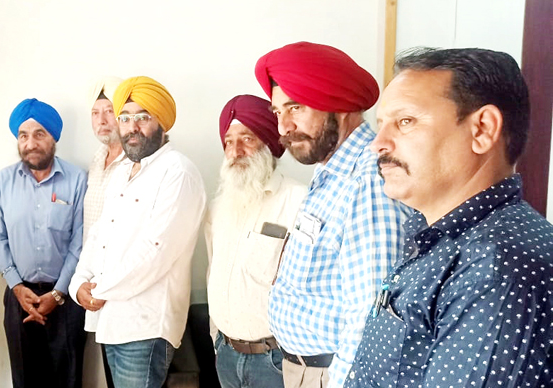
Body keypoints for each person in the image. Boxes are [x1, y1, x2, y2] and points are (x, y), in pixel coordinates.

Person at [344, 47, 553, 388]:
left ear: (482, 130)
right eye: (381, 125)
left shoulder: (497, 269)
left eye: (405, 122)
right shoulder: (440, 236)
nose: (378, 144)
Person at [255, 42, 411, 387]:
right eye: (278, 112)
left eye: (295, 107)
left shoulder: (369, 180)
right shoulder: (333, 170)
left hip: (332, 374)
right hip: (306, 369)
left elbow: (370, 313)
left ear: (339, 106)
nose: (284, 127)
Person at [69, 76, 206, 388]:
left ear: (162, 122)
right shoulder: (121, 173)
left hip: (145, 326)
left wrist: (98, 290)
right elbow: (98, 237)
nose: (132, 126)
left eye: (143, 117)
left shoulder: (177, 172)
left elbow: (154, 253)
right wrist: (79, 284)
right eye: (125, 118)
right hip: (110, 321)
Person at [205, 94, 307, 388]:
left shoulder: (298, 201)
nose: (236, 150)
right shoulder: (219, 206)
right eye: (228, 141)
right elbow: (215, 271)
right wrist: (217, 340)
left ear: (268, 142)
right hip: (225, 354)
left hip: (274, 362)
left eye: (247, 138)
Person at [0, 98, 87, 388]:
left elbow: (80, 242)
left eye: (39, 134)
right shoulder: (3, 182)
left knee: (68, 381)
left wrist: (57, 294)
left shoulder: (78, 180)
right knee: (25, 381)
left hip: (66, 300)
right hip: (20, 299)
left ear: (53, 137)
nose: (30, 143)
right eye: (23, 135)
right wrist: (17, 287)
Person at [83, 76, 124, 388]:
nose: (102, 120)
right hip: (93, 286)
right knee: (111, 373)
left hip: (125, 286)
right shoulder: (96, 162)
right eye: (96, 113)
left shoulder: (139, 161)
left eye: (109, 111)